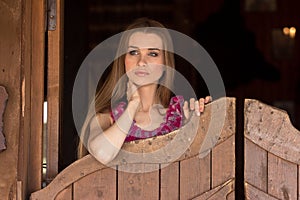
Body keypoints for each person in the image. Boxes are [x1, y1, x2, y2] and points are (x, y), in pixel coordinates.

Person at [77, 17, 211, 164]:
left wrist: (199, 122)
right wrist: (133, 105)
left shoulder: (181, 115)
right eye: (134, 52)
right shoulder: (105, 118)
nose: (141, 62)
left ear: (166, 62)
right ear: (123, 59)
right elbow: (102, 154)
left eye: (152, 54)